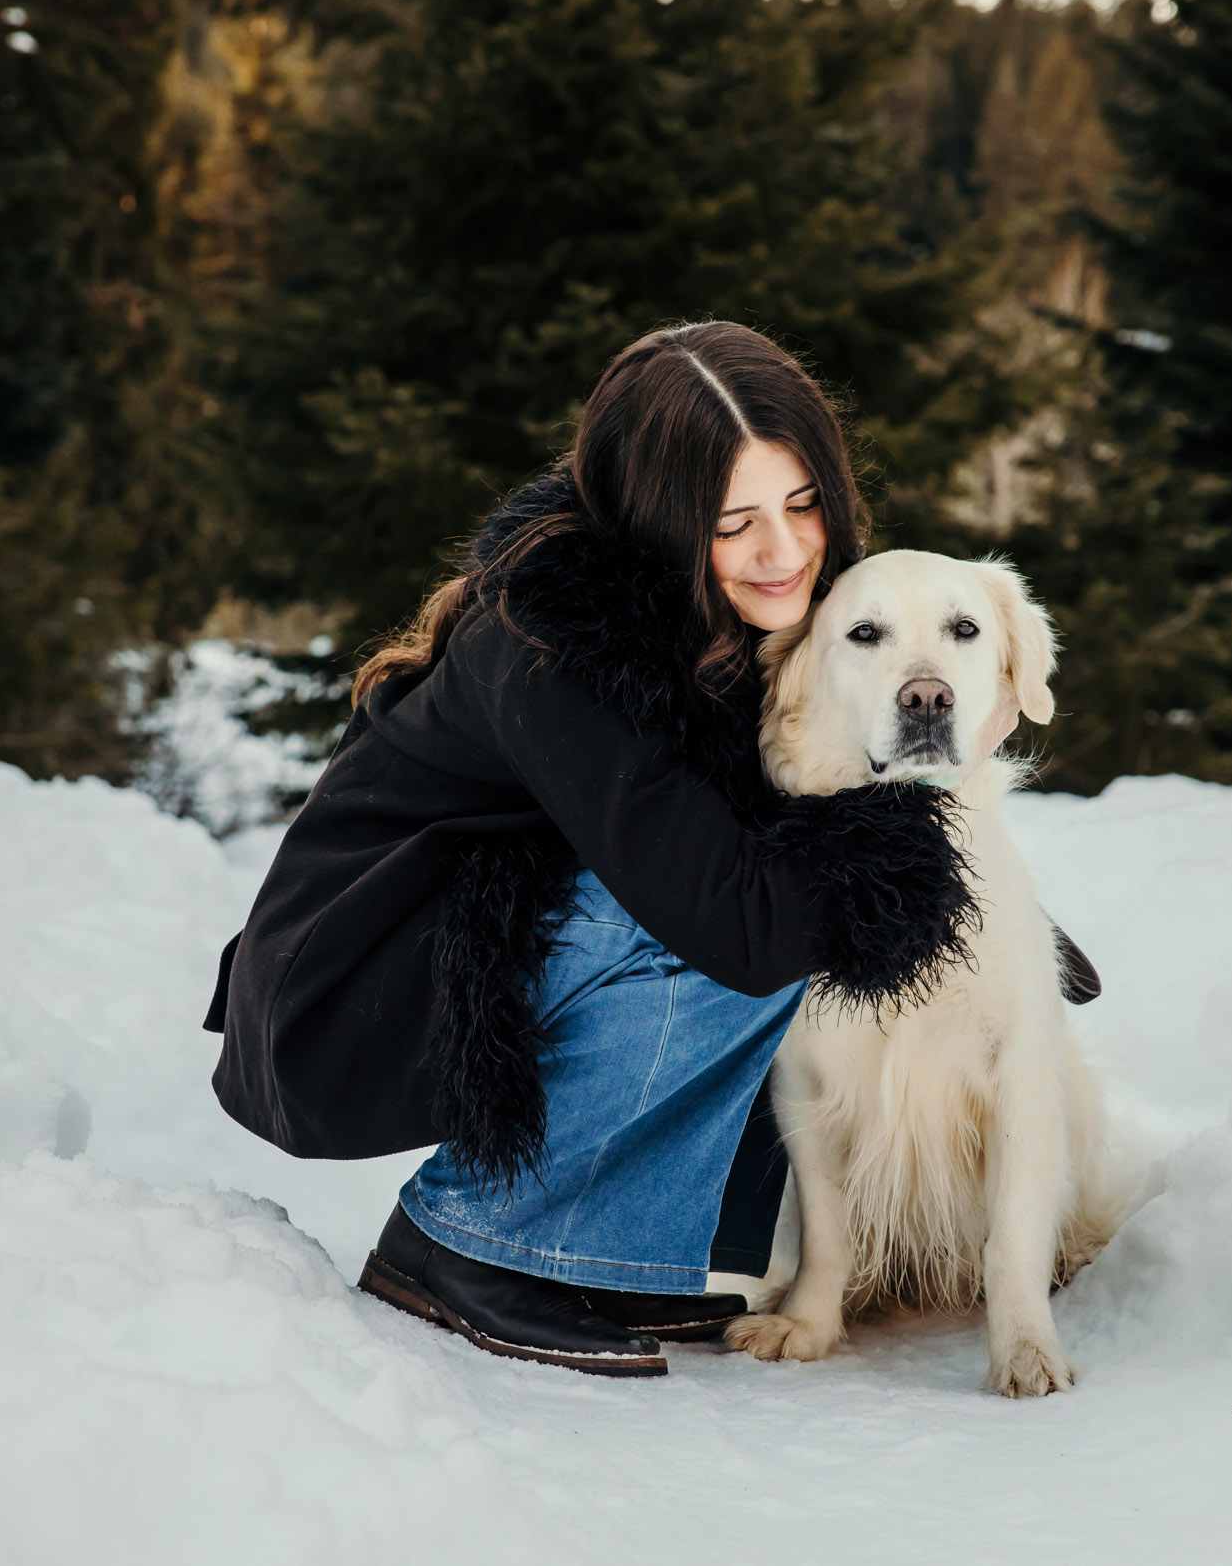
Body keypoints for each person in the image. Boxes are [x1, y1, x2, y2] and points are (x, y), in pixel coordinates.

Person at [203, 322, 992, 1377]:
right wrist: (903, 879)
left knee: (769, 888)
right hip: (355, 982)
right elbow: (741, 920)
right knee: (739, 913)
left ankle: (586, 1247)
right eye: (733, 522)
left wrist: (987, 921)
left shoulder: (748, 613)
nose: (784, 551)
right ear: (660, 523)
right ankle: (455, 1243)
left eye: (804, 505)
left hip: (497, 932)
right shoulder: (552, 647)